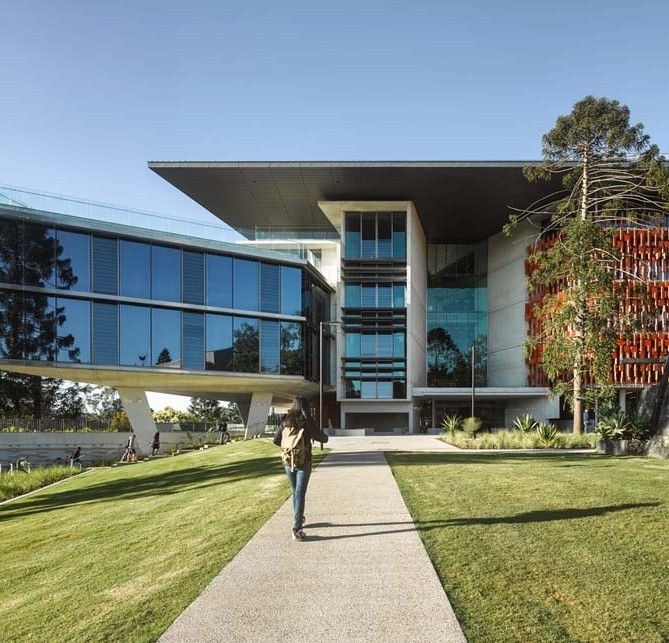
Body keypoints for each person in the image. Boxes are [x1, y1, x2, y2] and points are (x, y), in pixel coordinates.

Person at [273, 397, 328, 541]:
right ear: (306, 408)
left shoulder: (286, 421)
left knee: (295, 491)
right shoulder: (306, 423)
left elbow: (275, 440)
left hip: (288, 462)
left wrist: (289, 448)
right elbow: (324, 439)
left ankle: (299, 516)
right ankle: (296, 528)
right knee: (299, 493)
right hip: (304, 462)